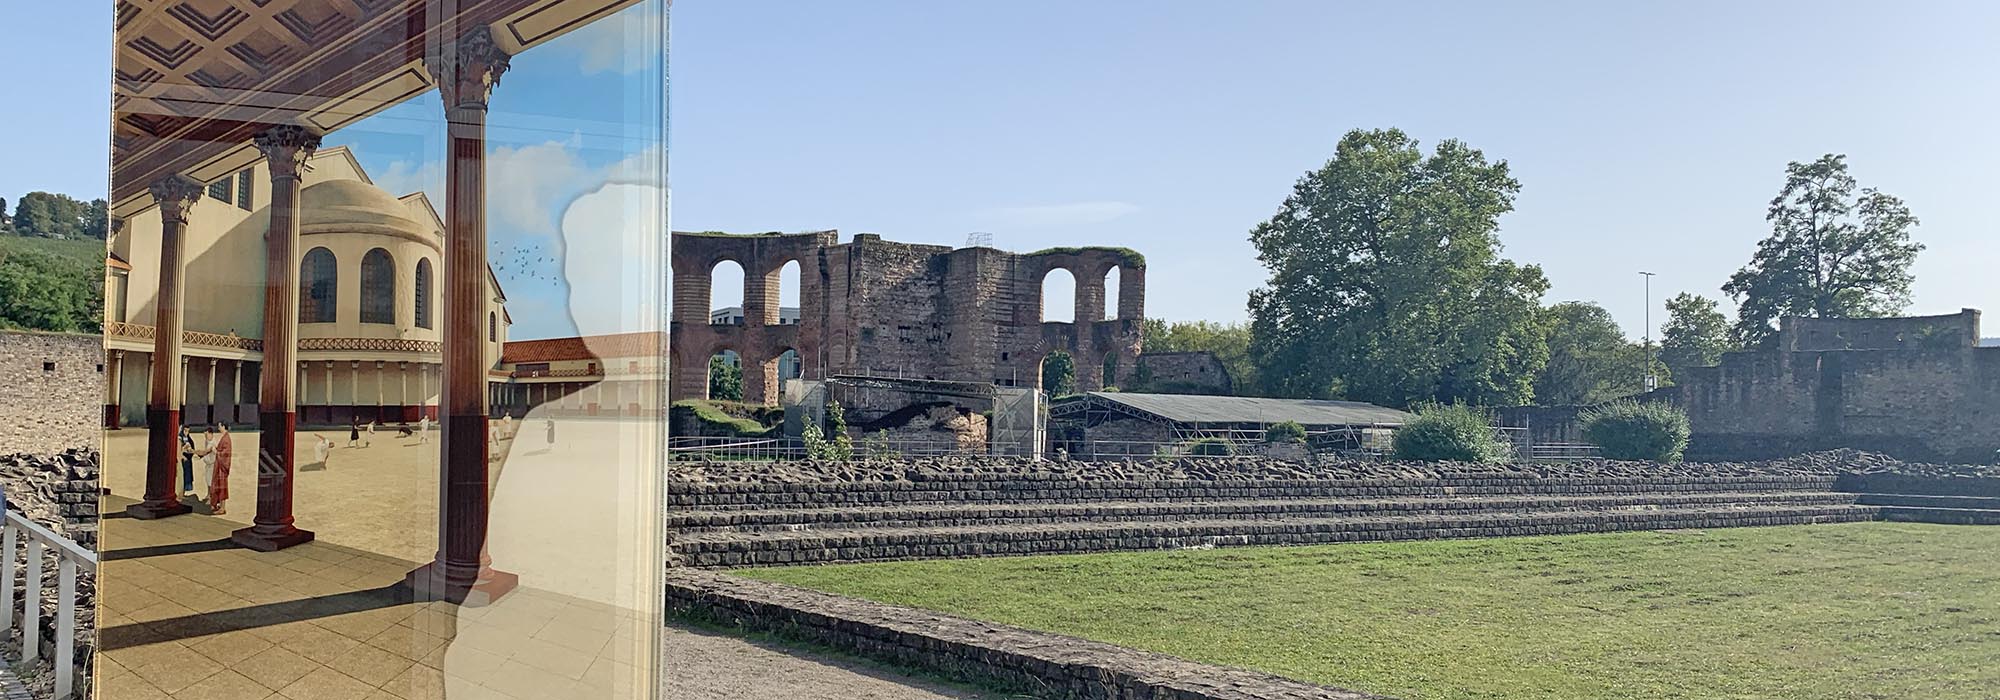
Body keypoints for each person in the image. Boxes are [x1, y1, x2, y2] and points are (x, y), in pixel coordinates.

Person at [178, 425, 197, 500]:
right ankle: (180, 494)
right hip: (182, 461)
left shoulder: (189, 439)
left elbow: (192, 447)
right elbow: (178, 451)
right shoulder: (180, 438)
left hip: (188, 461)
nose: (186, 433)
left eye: (188, 431)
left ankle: (183, 493)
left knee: (187, 478)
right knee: (182, 478)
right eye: (185, 431)